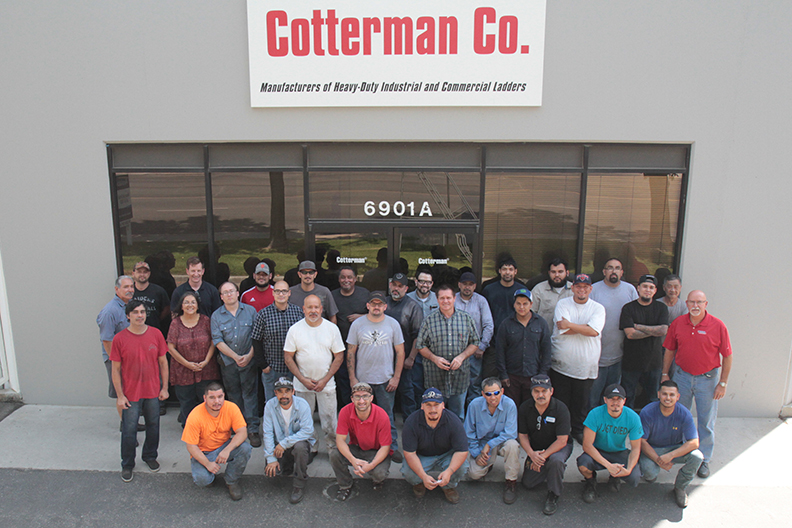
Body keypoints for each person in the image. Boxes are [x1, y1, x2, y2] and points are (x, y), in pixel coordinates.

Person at [661, 290, 732, 479]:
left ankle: (704, 460)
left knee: (705, 421)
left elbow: (727, 356)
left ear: (706, 304)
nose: (695, 306)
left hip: (707, 380)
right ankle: (683, 453)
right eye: (692, 302)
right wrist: (665, 374)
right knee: (679, 417)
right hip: (682, 377)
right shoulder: (678, 324)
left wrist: (722, 383)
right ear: (686, 303)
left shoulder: (718, 326)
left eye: (699, 302)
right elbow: (669, 350)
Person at [110, 300, 169, 482]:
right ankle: (127, 464)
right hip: (130, 394)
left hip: (152, 391)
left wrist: (165, 388)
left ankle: (150, 456)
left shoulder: (156, 334)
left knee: (154, 426)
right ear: (128, 316)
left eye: (142, 312)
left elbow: (163, 362)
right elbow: (116, 370)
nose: (139, 315)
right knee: (129, 430)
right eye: (135, 312)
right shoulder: (119, 339)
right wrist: (120, 396)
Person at [346, 291, 405, 461]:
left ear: (385, 306)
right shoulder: (358, 324)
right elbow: (350, 352)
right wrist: (352, 378)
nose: (376, 307)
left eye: (380, 304)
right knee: (359, 416)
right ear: (368, 306)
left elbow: (400, 352)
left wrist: (396, 377)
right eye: (373, 303)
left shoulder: (393, 324)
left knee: (387, 416)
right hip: (362, 381)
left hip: (386, 380)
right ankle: (358, 447)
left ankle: (392, 448)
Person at [284, 294, 345, 454]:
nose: (313, 311)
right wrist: (302, 379)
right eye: (309, 307)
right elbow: (288, 357)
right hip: (303, 385)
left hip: (327, 385)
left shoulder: (331, 328)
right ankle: (311, 448)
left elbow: (339, 356)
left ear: (321, 309)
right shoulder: (295, 329)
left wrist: (325, 380)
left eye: (316, 307)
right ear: (303, 309)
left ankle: (333, 449)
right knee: (305, 421)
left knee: (330, 421)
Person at [549, 274, 606, 443]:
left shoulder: (598, 308)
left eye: (585, 287)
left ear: (590, 289)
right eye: (578, 286)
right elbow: (562, 329)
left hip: (586, 366)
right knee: (561, 402)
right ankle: (562, 433)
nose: (582, 290)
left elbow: (594, 331)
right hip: (561, 364)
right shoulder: (562, 304)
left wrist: (571, 325)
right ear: (572, 287)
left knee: (581, 404)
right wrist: (584, 328)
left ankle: (578, 430)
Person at [416, 284, 480, 420]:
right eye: (442, 298)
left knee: (458, 416)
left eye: (448, 298)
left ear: (454, 298)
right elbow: (420, 345)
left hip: (459, 378)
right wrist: (434, 358)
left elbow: (475, 342)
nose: (445, 301)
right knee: (434, 416)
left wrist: (462, 357)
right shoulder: (429, 320)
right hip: (435, 378)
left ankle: (456, 441)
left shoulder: (466, 319)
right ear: (437, 300)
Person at [182, 382, 252, 501]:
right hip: (204, 452)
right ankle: (209, 476)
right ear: (205, 398)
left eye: (220, 397)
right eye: (212, 397)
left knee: (245, 448)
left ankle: (231, 481)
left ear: (224, 396)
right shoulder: (195, 415)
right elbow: (191, 446)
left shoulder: (231, 408)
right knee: (202, 480)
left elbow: (242, 432)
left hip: (224, 445)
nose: (217, 401)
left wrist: (227, 450)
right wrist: (207, 463)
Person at [211, 282, 261, 447]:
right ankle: (238, 428)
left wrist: (248, 356)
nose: (229, 294)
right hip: (228, 364)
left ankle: (253, 429)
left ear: (238, 293)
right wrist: (235, 357)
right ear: (221, 297)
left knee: (250, 395)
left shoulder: (250, 311)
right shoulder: (216, 316)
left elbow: (257, 336)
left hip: (249, 361)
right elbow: (217, 341)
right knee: (233, 396)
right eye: (225, 292)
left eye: (231, 291)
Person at [640, 380, 704, 508]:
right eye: (664, 394)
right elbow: (641, 441)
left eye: (672, 395)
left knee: (697, 457)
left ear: (678, 397)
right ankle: (651, 474)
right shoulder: (647, 412)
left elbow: (694, 442)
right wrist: (659, 461)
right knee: (649, 473)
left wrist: (670, 456)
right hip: (654, 449)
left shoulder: (684, 414)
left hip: (675, 448)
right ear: (658, 394)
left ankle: (680, 488)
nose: (668, 398)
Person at [401, 388, 469, 504]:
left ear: (443, 405)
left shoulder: (453, 421)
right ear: (422, 406)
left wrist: (449, 471)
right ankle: (419, 483)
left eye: (436, 405)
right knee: (408, 471)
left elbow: (462, 451)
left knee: (462, 466)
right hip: (422, 456)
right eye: (428, 405)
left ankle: (448, 486)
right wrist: (423, 476)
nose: (433, 409)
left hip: (446, 454)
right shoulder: (411, 422)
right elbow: (410, 454)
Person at [577, 384, 643, 503]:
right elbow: (587, 445)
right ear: (605, 400)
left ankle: (615, 476)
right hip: (598, 450)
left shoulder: (633, 417)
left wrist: (628, 470)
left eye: (619, 399)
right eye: (612, 399)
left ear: (624, 401)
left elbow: (636, 448)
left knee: (634, 478)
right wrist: (609, 465)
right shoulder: (595, 414)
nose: (615, 402)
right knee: (583, 464)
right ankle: (590, 482)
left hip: (619, 451)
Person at [518, 375, 573, 516]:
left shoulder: (561, 409)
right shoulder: (525, 407)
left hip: (559, 447)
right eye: (536, 391)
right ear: (531, 392)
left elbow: (562, 440)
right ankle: (551, 470)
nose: (540, 395)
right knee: (528, 483)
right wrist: (532, 454)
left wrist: (542, 457)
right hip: (536, 449)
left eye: (544, 391)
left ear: (551, 391)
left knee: (556, 461)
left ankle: (553, 494)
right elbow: (522, 435)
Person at [589, 258, 638, 407]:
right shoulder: (594, 290)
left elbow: (636, 316)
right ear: (604, 271)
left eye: (617, 268)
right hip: (596, 357)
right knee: (592, 399)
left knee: (612, 399)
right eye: (610, 268)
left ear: (622, 272)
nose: (613, 271)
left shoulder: (630, 290)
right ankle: (591, 429)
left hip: (618, 357)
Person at [331, 382, 393, 501]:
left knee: (379, 474)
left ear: (371, 398)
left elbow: (385, 447)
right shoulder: (345, 412)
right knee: (334, 453)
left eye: (365, 396)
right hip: (357, 448)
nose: (361, 401)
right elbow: (340, 440)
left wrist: (371, 465)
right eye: (357, 397)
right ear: (352, 399)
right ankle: (345, 484)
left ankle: (377, 480)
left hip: (376, 451)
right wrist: (353, 460)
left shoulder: (382, 415)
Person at [167, 291, 221, 425]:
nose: (189, 305)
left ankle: (208, 426)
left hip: (206, 368)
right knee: (186, 401)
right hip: (182, 370)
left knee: (207, 400)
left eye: (193, 302)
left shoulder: (206, 321)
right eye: (186, 302)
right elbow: (171, 347)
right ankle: (189, 427)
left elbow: (213, 342)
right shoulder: (175, 323)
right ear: (181, 306)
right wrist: (187, 363)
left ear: (197, 305)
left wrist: (206, 360)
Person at [464, 378, 520, 504]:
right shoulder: (474, 405)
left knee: (513, 445)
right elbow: (469, 433)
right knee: (474, 474)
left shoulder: (510, 404)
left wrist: (490, 444)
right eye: (488, 394)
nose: (493, 397)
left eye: (496, 393)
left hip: (501, 442)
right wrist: (476, 454)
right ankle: (487, 465)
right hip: (482, 443)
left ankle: (511, 482)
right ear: (483, 394)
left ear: (502, 391)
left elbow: (511, 433)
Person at [496, 288, 552, 410]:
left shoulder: (541, 323)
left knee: (530, 408)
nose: (522, 307)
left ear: (531, 304)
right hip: (512, 376)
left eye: (525, 303)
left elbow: (547, 351)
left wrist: (542, 375)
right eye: (518, 303)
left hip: (533, 375)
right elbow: (500, 351)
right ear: (514, 304)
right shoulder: (506, 324)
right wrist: (503, 374)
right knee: (511, 408)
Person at [262, 377, 315, 504]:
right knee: (274, 473)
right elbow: (267, 433)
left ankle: (299, 484)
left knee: (300, 448)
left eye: (287, 391)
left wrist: (284, 444)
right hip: (279, 444)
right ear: (275, 393)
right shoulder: (270, 406)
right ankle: (288, 464)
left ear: (293, 392)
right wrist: (271, 458)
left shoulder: (302, 405)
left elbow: (308, 431)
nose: (284, 395)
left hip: (297, 444)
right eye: (280, 391)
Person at [619, 275, 669, 409]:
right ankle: (628, 426)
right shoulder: (628, 308)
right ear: (638, 288)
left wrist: (638, 326)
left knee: (653, 398)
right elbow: (630, 334)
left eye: (651, 287)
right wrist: (653, 330)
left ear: (655, 290)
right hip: (631, 363)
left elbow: (663, 330)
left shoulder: (661, 308)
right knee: (628, 397)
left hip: (654, 363)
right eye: (645, 286)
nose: (648, 290)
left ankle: (651, 427)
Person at [252, 280, 304, 401]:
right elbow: (256, 340)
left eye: (284, 291)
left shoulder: (298, 313)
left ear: (289, 293)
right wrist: (263, 365)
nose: (281, 294)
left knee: (294, 401)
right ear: (273, 293)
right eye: (278, 291)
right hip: (272, 368)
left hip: (294, 368)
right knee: (272, 402)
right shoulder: (263, 314)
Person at [386, 273, 424, 420]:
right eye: (394, 285)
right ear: (390, 285)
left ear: (406, 288)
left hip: (405, 359)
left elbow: (418, 336)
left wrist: (411, 357)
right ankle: (387, 426)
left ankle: (410, 424)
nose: (396, 288)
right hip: (385, 360)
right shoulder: (383, 303)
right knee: (386, 395)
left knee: (407, 393)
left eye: (400, 286)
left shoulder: (412, 306)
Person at [331, 266, 370, 406]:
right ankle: (346, 410)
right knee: (343, 380)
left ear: (355, 279)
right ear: (339, 279)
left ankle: (363, 409)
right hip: (340, 346)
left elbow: (378, 313)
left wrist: (361, 316)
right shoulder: (333, 296)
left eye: (349, 277)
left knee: (362, 379)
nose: (346, 280)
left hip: (363, 347)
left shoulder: (364, 294)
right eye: (343, 277)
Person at [454, 272, 494, 405]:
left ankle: (473, 415)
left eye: (470, 285)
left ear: (475, 286)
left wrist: (482, 347)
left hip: (475, 351)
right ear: (459, 285)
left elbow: (488, 325)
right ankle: (458, 418)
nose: (467, 287)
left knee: (474, 385)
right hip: (455, 351)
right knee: (456, 385)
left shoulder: (481, 301)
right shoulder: (452, 300)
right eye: (464, 284)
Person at [97, 275, 133, 421]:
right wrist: (117, 363)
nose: (130, 290)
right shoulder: (110, 311)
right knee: (121, 393)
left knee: (130, 391)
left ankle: (132, 423)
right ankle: (125, 425)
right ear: (117, 289)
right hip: (117, 360)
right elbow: (107, 340)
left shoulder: (129, 307)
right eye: (126, 287)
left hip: (129, 358)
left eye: (131, 286)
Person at [482, 257, 523, 380]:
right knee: (489, 379)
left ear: (515, 271)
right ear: (499, 271)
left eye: (510, 269)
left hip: (515, 344)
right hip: (493, 344)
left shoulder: (521, 290)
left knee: (512, 380)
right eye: (504, 269)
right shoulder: (489, 290)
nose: (507, 272)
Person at [530, 258, 573, 330]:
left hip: (567, 338)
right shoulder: (539, 289)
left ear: (567, 273)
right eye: (553, 272)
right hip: (543, 336)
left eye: (560, 272)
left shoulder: (573, 290)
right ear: (549, 273)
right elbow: (530, 313)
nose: (557, 275)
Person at [131, 261, 171, 333]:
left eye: (145, 272)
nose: (142, 274)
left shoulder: (159, 291)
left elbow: (167, 308)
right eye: (139, 272)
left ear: (149, 274)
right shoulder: (129, 291)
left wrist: (157, 319)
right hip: (133, 332)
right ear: (133, 273)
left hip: (154, 332)